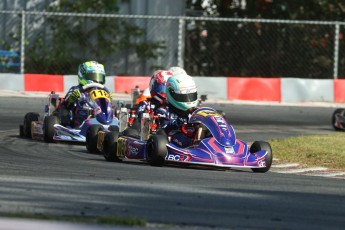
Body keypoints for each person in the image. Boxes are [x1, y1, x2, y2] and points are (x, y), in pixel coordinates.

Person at [62, 61, 112, 127]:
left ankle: (109, 123)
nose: (96, 80)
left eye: (100, 77)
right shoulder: (76, 89)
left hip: (100, 117)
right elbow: (65, 105)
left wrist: (108, 99)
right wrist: (72, 98)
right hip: (80, 121)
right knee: (64, 111)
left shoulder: (103, 91)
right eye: (93, 76)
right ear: (82, 75)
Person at [155, 73, 199, 147]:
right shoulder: (163, 110)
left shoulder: (194, 111)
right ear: (171, 93)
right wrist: (179, 121)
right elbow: (165, 128)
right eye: (183, 96)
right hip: (174, 136)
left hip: (194, 134)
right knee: (185, 141)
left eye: (191, 95)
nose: (188, 99)